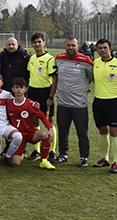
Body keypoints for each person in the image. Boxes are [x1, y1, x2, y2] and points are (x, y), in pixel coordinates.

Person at [50, 37, 93, 167]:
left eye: (73, 45)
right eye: (68, 45)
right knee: (63, 131)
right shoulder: (59, 59)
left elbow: (91, 77)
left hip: (79, 103)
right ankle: (63, 154)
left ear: (78, 46)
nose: (70, 48)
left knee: (82, 131)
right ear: (65, 46)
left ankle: (84, 157)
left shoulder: (86, 60)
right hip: (62, 103)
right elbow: (56, 77)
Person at [7, 77, 56, 170]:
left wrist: (50, 128)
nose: (18, 90)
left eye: (21, 87)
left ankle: (44, 161)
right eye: (16, 87)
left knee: (46, 135)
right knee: (16, 163)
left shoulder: (31, 104)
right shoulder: (8, 104)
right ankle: (18, 152)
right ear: (13, 89)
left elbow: (42, 116)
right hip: (18, 137)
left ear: (25, 89)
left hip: (30, 133)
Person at [26, 33, 58, 162]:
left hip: (46, 93)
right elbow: (30, 76)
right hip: (33, 92)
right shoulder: (32, 58)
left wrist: (50, 96)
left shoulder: (50, 59)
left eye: (39, 42)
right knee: (35, 121)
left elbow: (55, 79)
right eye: (34, 42)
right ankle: (37, 150)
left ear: (44, 42)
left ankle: (52, 151)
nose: (37, 44)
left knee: (50, 122)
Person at [91, 38, 117, 172]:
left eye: (105, 48)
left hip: (114, 102)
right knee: (102, 130)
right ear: (97, 50)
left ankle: (116, 161)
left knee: (114, 131)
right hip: (98, 101)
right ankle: (104, 158)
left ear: (110, 49)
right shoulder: (95, 63)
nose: (102, 50)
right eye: (100, 48)